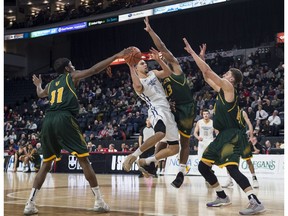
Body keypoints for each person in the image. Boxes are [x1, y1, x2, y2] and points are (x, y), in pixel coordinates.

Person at [23, 48, 131, 215]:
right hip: (64, 119)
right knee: (84, 161)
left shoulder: (51, 84)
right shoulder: (71, 76)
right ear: (67, 68)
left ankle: (29, 204)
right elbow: (94, 70)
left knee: (45, 164)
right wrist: (116, 56)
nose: (74, 66)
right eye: (71, 65)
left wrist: (38, 85)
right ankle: (99, 202)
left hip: (48, 120)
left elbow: (40, 94)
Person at [183, 38, 265, 215]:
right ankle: (221, 195)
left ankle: (255, 201)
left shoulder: (229, 87)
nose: (225, 74)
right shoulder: (222, 91)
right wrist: (202, 59)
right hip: (222, 136)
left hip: (232, 135)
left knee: (232, 169)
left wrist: (192, 54)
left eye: (227, 73)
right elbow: (206, 75)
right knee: (203, 167)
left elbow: (208, 71)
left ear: (231, 79)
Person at [143, 16, 202, 187]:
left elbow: (161, 46)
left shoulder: (175, 66)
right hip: (173, 108)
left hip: (186, 107)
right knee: (163, 139)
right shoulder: (160, 77)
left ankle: (181, 172)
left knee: (184, 142)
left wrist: (150, 31)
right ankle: (153, 164)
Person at [122, 49, 179, 178]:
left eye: (145, 63)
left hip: (167, 109)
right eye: (142, 64)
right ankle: (133, 155)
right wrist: (130, 67)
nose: (145, 65)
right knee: (160, 133)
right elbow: (137, 86)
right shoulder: (139, 83)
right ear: (136, 68)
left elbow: (167, 72)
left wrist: (159, 60)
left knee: (175, 148)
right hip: (156, 109)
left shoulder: (153, 73)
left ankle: (146, 161)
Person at [223, 109, 259, 189]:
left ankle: (254, 179)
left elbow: (249, 124)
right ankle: (229, 180)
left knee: (248, 160)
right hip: (231, 140)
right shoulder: (227, 112)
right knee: (229, 161)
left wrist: (251, 136)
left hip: (242, 139)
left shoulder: (242, 112)